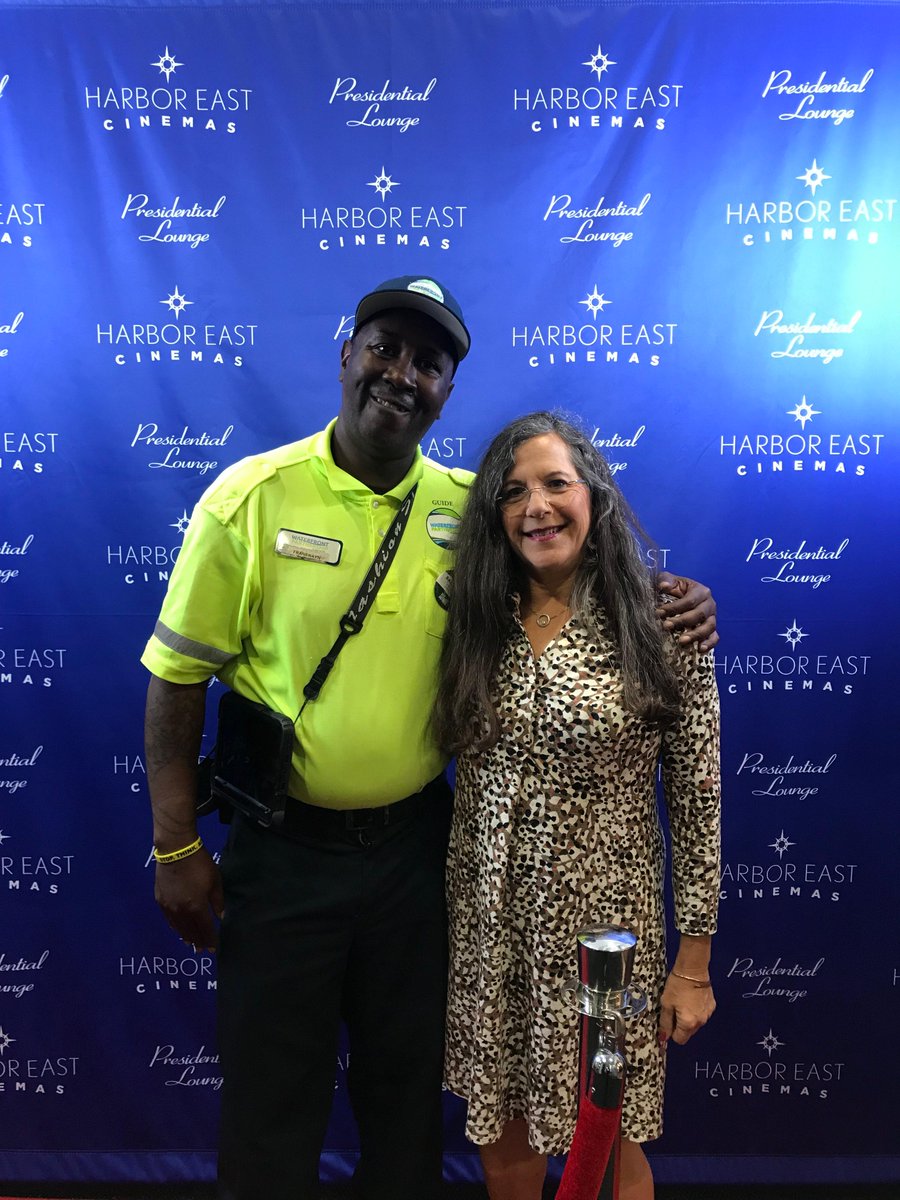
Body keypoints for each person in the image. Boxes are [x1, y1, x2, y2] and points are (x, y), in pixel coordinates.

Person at [140, 277, 717, 1200]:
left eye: (430, 363)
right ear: (347, 353)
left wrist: (674, 598)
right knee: (269, 1109)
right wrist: (175, 845)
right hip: (285, 857)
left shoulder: (471, 514)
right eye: (385, 348)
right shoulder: (247, 497)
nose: (402, 374)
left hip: (419, 860)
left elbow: (574, 571)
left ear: (448, 390)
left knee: (406, 1111)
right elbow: (175, 681)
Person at [433, 411, 721, 1200]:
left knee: (611, 1134)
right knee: (503, 1132)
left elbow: (698, 805)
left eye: (557, 484)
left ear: (593, 494)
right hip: (491, 929)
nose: (537, 507)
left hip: (608, 944)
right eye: (514, 492)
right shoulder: (469, 617)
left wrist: (692, 965)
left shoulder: (662, 622)